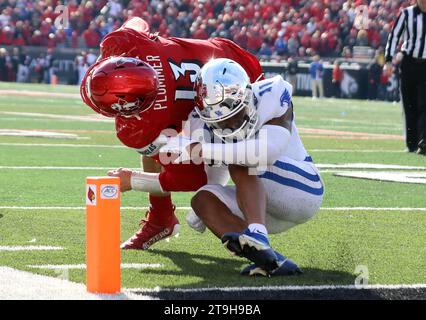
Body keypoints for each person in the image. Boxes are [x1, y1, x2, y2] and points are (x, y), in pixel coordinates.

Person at [80, 17, 264, 250]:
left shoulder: (145, 125)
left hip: (224, 107)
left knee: (245, 163)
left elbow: (190, 178)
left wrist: (131, 180)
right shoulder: (129, 43)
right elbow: (137, 21)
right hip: (231, 60)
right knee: (161, 147)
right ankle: (161, 218)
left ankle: (256, 237)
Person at [160, 58, 324, 276]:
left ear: (247, 95)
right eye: (222, 122)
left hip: (303, 189)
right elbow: (212, 172)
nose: (232, 125)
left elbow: (266, 151)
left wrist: (198, 149)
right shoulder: (198, 123)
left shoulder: (271, 92)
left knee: (242, 156)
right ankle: (270, 259)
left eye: (236, 114)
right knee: (203, 200)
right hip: (262, 202)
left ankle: (257, 232)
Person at [385, 0, 426, 154]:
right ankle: (412, 144)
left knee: (424, 104)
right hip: (409, 63)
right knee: (409, 104)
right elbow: (394, 35)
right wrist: (388, 59)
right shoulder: (406, 13)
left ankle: (424, 140)